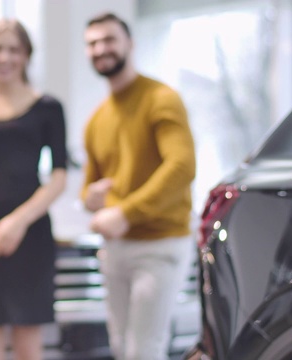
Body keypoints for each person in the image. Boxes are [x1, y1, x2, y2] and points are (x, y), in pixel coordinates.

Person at [80, 12, 197, 360]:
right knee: (121, 347)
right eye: (93, 43)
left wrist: (126, 212)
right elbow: (89, 190)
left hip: (160, 244)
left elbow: (182, 166)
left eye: (109, 40)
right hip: (115, 249)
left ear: (129, 43)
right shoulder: (97, 119)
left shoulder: (161, 98)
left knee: (144, 350)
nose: (101, 49)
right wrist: (92, 198)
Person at [0, 18, 68, 360]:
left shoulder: (48, 108)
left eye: (13, 49)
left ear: (26, 56)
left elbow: (60, 176)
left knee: (28, 351)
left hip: (30, 236)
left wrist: (16, 223)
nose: (3, 57)